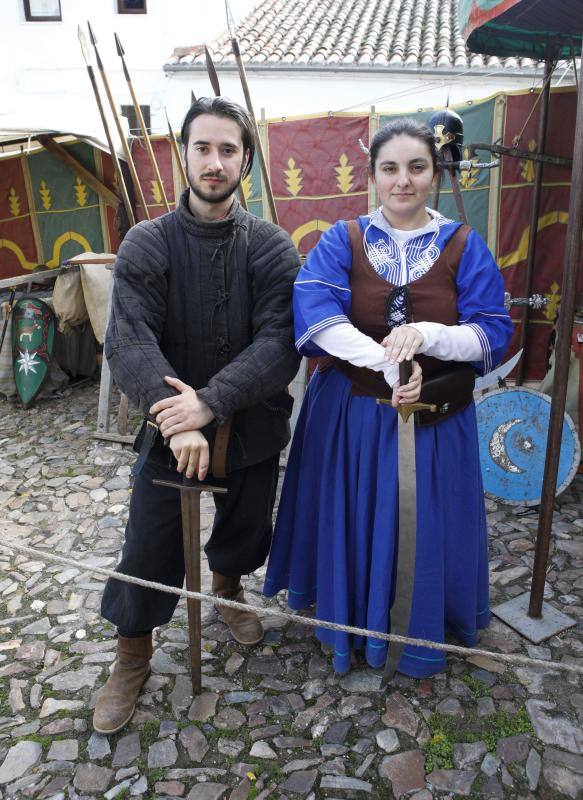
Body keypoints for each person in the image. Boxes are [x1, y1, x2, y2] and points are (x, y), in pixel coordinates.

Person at [263, 118, 514, 677]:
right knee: (353, 515)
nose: (404, 181)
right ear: (373, 175)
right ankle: (353, 614)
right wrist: (388, 359)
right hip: (351, 413)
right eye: (390, 168)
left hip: (436, 418)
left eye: (417, 168)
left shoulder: (464, 247)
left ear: (435, 173)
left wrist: (426, 336)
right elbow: (316, 314)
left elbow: (493, 330)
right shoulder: (342, 239)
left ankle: (423, 620)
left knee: (424, 519)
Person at [93, 97, 300, 734]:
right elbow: (129, 340)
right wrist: (178, 421)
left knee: (245, 523)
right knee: (148, 543)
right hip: (167, 425)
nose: (214, 163)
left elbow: (278, 342)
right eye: (203, 148)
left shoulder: (270, 246)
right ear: (183, 154)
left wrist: (209, 403)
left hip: (251, 419)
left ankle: (228, 587)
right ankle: (132, 654)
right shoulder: (146, 242)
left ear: (246, 160)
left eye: (228, 150)